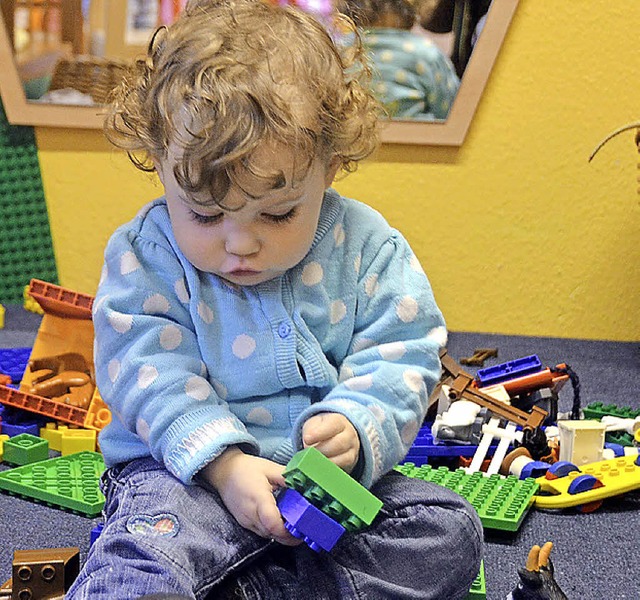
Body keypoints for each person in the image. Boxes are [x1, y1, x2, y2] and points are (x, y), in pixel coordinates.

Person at [67, 0, 482, 598]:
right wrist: (226, 465)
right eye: (206, 214)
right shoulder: (146, 252)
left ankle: (251, 586)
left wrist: (357, 425)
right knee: (148, 547)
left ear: (331, 165)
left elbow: (404, 350)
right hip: (190, 480)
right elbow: (144, 371)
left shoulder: (369, 248)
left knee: (445, 531)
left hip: (321, 486)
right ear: (159, 166)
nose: (241, 243)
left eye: (279, 212)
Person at [340, 0, 460, 119]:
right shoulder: (426, 53)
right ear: (410, 13)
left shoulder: (340, 51)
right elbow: (453, 111)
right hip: (416, 136)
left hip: (353, 136)